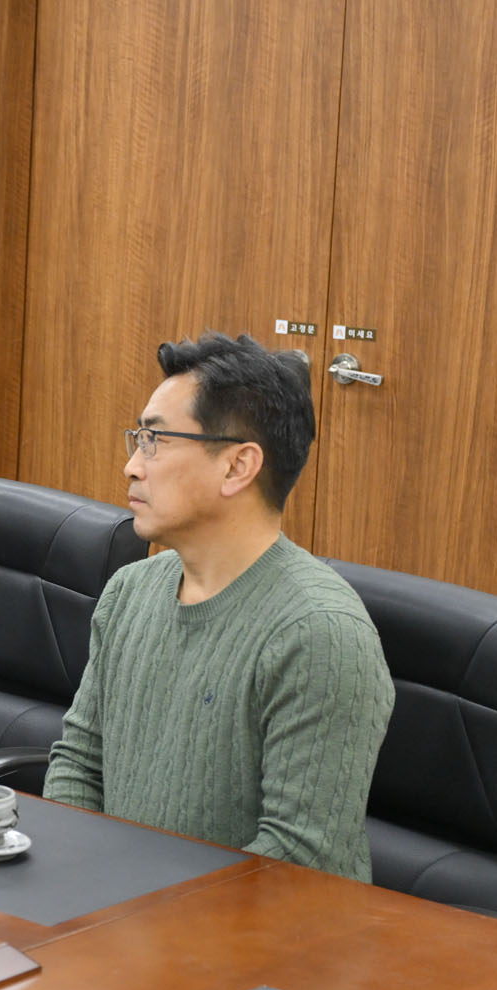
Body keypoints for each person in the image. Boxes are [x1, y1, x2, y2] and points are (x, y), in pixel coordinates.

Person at [44, 333, 392, 880]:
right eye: (138, 439)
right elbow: (78, 764)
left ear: (237, 467)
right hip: (118, 910)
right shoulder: (129, 591)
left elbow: (299, 861)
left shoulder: (320, 633)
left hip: (253, 932)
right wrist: (84, 881)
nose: (132, 466)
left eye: (155, 441)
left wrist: (136, 910)